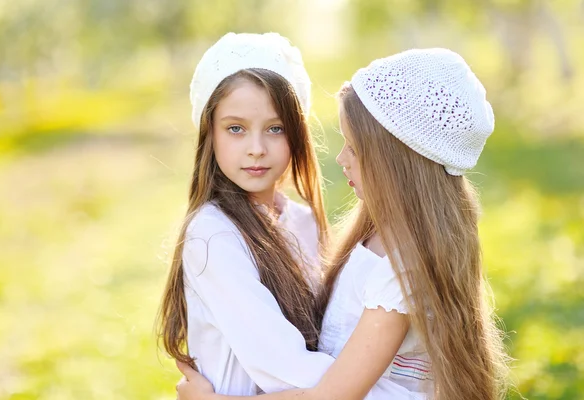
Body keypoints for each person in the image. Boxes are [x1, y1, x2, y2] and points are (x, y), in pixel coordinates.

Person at [175, 48, 509, 400]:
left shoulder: (398, 267)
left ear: (393, 158)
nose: (340, 158)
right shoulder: (372, 238)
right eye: (236, 129)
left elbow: (333, 393)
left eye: (353, 147)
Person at [157, 32, 337, 396]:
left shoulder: (304, 223)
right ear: (211, 134)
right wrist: (390, 385)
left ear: (297, 135)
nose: (256, 149)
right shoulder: (214, 234)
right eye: (235, 129)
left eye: (275, 128)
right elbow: (288, 368)